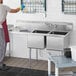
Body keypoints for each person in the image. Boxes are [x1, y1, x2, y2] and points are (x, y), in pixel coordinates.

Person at [0, 0, 20, 70]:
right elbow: (14, 11)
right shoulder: (4, 7)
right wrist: (20, 8)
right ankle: (0, 64)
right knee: (3, 45)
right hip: (1, 29)